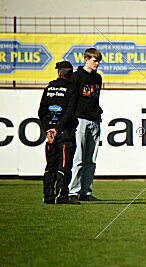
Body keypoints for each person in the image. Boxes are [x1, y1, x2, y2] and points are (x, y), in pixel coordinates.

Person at [38, 61, 80, 204]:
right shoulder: (72, 89)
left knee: (50, 166)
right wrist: (58, 129)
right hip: (65, 133)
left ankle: (48, 197)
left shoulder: (49, 88)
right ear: (70, 74)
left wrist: (48, 129)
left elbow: (42, 111)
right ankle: (62, 197)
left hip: (51, 134)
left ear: (58, 72)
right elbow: (70, 112)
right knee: (64, 166)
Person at [68, 48, 103, 202]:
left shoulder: (98, 78)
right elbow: (72, 100)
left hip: (95, 120)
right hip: (80, 119)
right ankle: (72, 192)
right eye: (94, 60)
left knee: (91, 159)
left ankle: (85, 191)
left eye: (98, 61)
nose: (97, 64)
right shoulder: (76, 77)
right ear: (86, 59)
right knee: (78, 158)